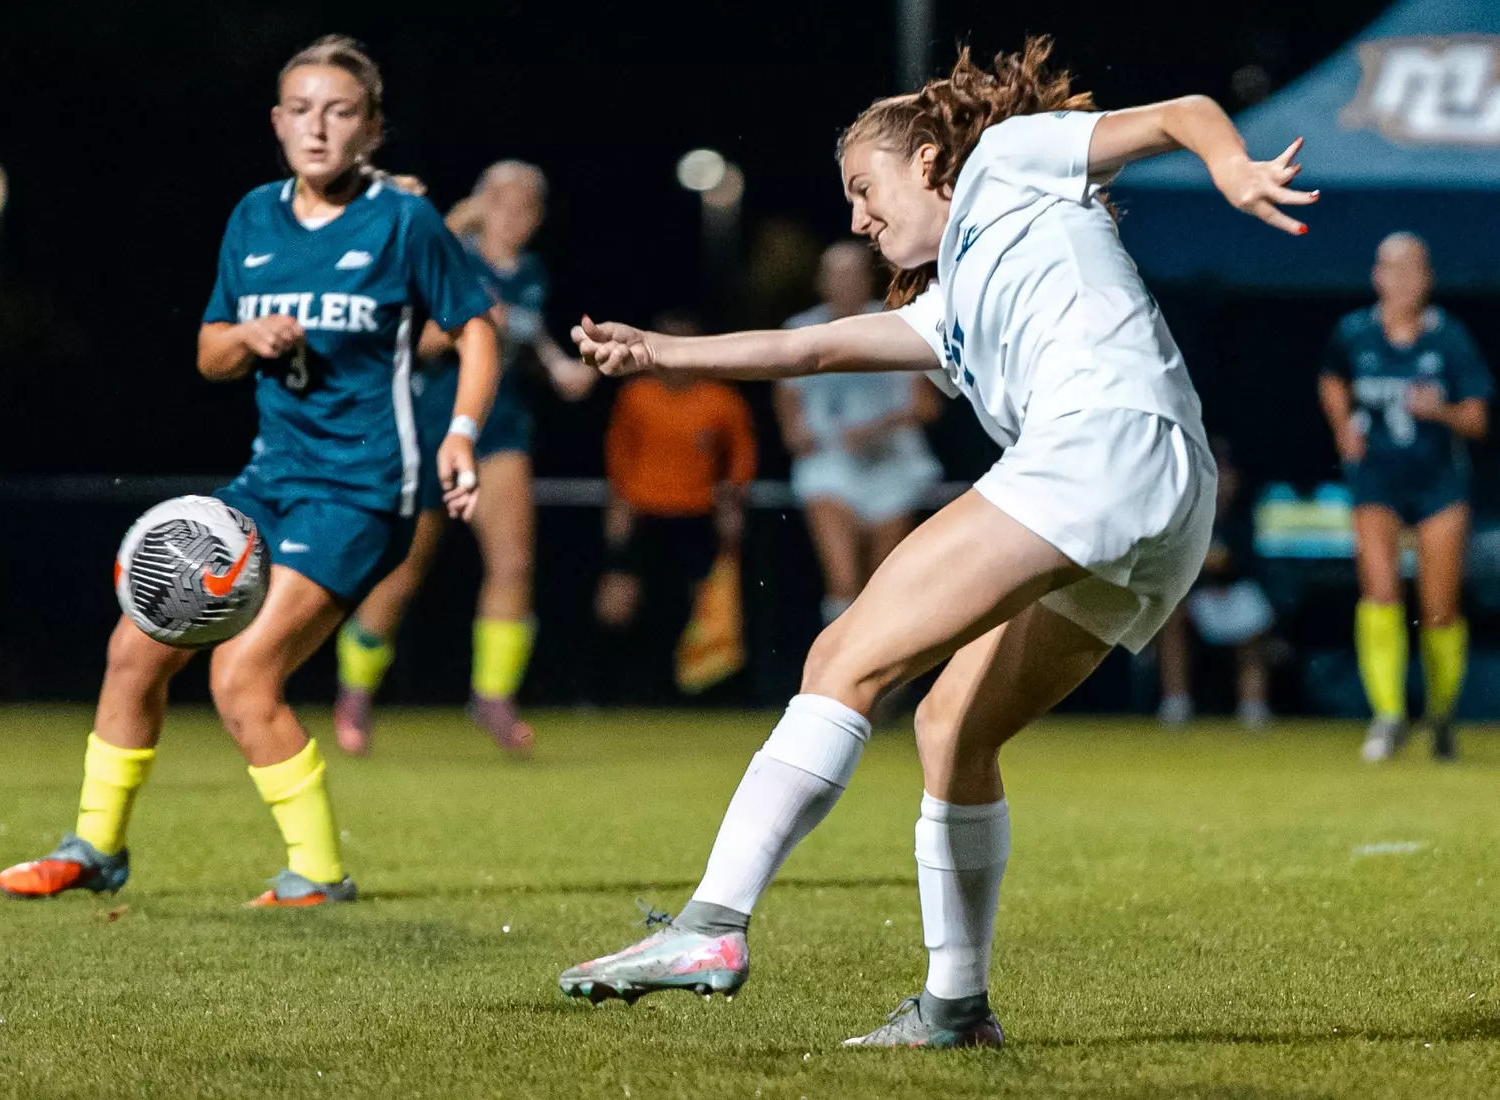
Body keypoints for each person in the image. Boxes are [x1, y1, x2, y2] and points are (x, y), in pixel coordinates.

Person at [557, 37, 1314, 1048]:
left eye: (863, 189)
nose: (857, 219)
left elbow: (1182, 112)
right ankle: (955, 1007)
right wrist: (660, 351)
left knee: (842, 657)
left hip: (1102, 443)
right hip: (1169, 497)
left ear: (927, 161)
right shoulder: (948, 305)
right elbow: (810, 347)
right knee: (952, 728)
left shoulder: (1005, 159)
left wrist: (1230, 165)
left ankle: (711, 924)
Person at [0, 36, 497, 907]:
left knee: (242, 675)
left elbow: (478, 330)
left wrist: (460, 432)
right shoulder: (254, 218)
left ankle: (319, 875)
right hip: (266, 485)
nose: (318, 127)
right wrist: (246, 337)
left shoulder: (404, 222)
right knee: (133, 648)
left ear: (371, 129)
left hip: (362, 491)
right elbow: (208, 354)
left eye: (339, 111)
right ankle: (95, 848)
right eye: (301, 110)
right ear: (277, 122)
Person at [334, 160, 594, 757]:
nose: (515, 214)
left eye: (527, 205)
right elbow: (416, 342)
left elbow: (523, 346)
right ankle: (355, 691)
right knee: (402, 574)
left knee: (513, 563)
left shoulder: (530, 273)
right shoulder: (450, 255)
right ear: (481, 204)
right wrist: (470, 323)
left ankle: (493, 698)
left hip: (498, 432)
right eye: (503, 200)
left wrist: (561, 372)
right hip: (429, 429)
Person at [1318, 233, 1492, 762]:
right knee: (1380, 592)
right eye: (1393, 269)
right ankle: (1389, 716)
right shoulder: (1355, 332)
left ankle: (1441, 717)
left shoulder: (1449, 338)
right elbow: (1331, 379)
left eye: (1413, 269)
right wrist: (1343, 427)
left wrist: (1440, 411)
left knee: (1439, 608)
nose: (1403, 280)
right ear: (1377, 276)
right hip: (1377, 480)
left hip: (1439, 481)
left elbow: (1478, 419)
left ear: (1428, 278)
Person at [777, 242, 942, 626]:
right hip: (829, 467)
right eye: (835, 275)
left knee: (883, 584)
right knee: (843, 582)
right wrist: (799, 434)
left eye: (852, 274)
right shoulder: (799, 330)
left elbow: (926, 406)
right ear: (821, 281)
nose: (844, 283)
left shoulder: (899, 324)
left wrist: (877, 428)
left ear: (868, 279)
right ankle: (839, 661)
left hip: (893, 466)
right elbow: (789, 418)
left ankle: (882, 662)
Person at [594, 313, 757, 703]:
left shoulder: (721, 400)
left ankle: (704, 696)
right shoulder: (636, 396)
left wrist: (732, 504)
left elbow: (742, 458)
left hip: (697, 514)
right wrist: (618, 507)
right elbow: (618, 454)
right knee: (618, 601)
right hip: (643, 511)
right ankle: (602, 692)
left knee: (706, 606)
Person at [1156, 439, 1274, 729]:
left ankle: (1253, 706)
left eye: (1226, 475)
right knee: (1169, 617)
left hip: (1240, 595)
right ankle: (1176, 702)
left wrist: (1219, 564)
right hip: (1200, 597)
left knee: (1255, 624)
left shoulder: (1249, 515)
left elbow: (1251, 565)